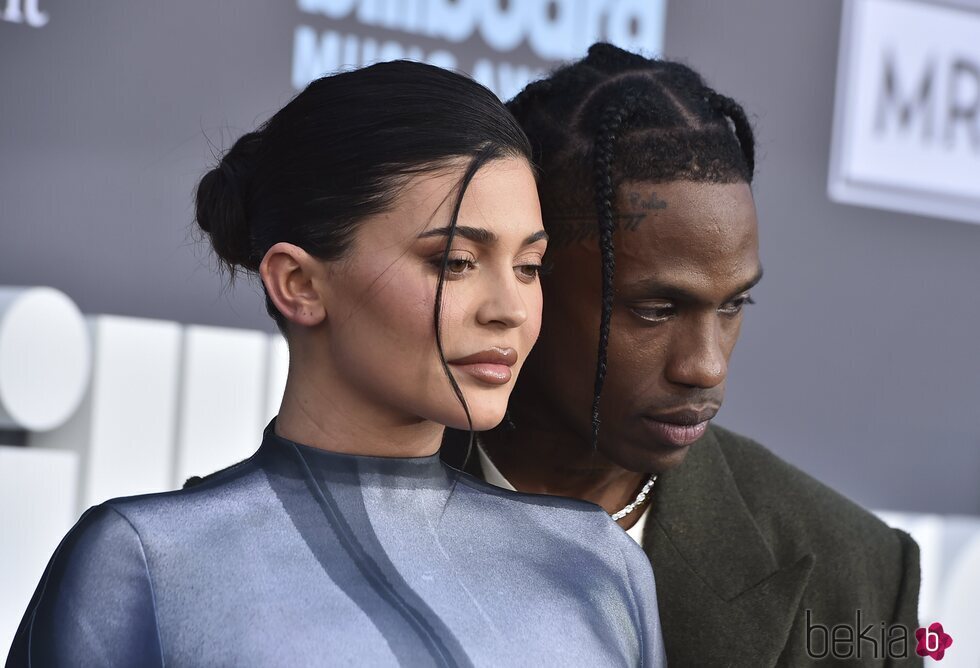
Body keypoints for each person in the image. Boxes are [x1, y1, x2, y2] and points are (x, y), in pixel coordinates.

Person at [7, 61, 666, 667]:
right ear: (298, 283)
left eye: (529, 267)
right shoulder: (145, 563)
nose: (511, 309)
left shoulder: (595, 564)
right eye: (455, 262)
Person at [443, 44, 922, 666]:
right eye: (656, 309)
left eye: (732, 306)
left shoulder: (861, 578)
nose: (706, 367)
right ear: (530, 278)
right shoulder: (336, 502)